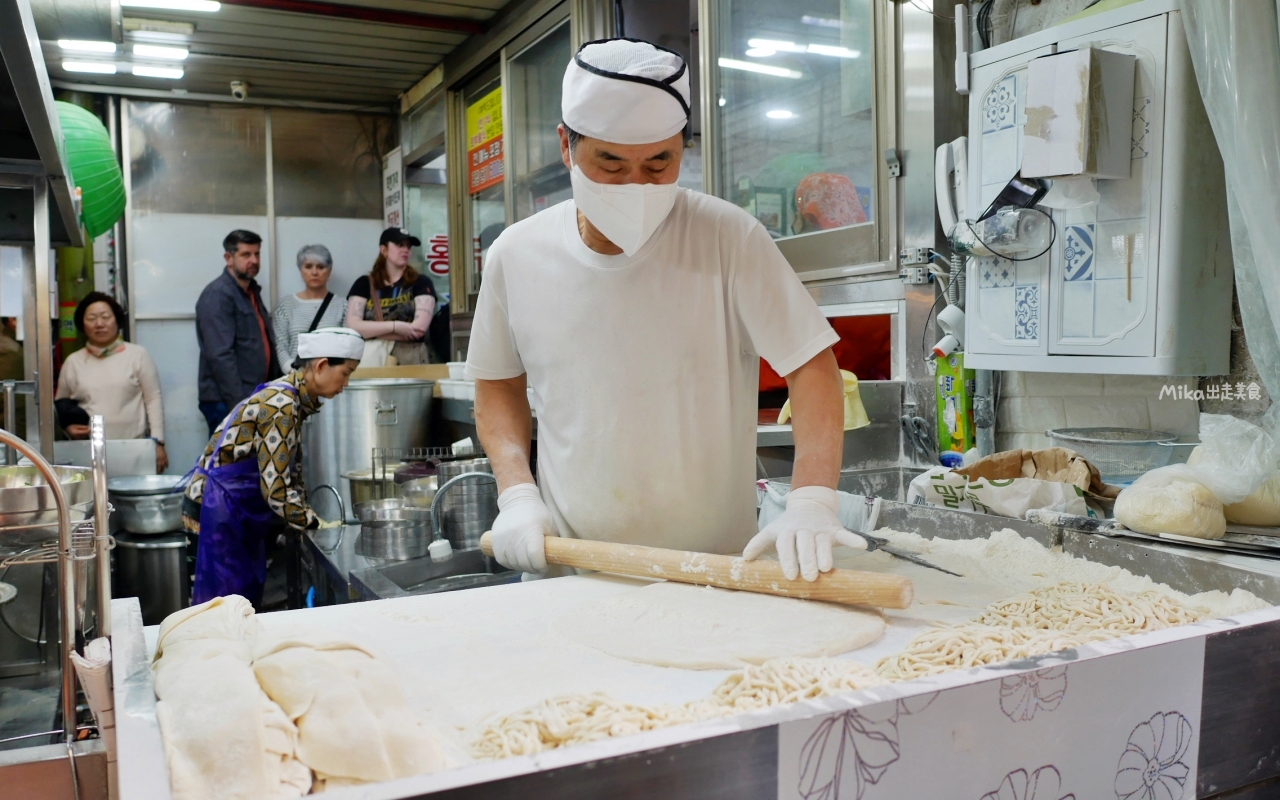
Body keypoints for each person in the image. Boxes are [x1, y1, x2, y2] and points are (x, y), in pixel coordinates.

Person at [468, 39, 862, 583]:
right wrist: (516, 492)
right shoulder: (517, 254)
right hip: (574, 571)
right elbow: (497, 386)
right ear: (566, 145)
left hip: (715, 574)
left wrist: (813, 499)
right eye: (610, 162)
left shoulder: (728, 238)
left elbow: (811, 366)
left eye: (659, 163)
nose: (636, 185)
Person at [182, 327, 362, 607]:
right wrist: (313, 522)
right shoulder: (282, 405)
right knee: (222, 606)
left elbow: (287, 466)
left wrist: (302, 510)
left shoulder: (292, 398)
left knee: (240, 599)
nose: (346, 383)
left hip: (232, 504)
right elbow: (276, 490)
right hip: (217, 507)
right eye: (346, 373)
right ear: (322, 365)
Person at [56, 292, 168, 472]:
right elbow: (60, 406)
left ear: (117, 320)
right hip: (87, 454)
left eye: (105, 317)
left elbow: (153, 399)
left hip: (134, 449)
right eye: (91, 318)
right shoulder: (73, 362)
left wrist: (158, 441)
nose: (99, 324)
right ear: (82, 324)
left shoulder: (137, 355)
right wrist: (68, 428)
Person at [196, 229, 281, 436]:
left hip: (254, 396)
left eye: (257, 254)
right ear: (229, 258)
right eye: (246, 254)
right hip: (229, 401)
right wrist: (242, 405)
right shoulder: (218, 294)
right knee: (229, 465)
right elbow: (220, 356)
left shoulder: (251, 291)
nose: (253, 260)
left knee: (249, 465)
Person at [346, 228, 436, 366]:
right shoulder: (364, 283)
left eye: (408, 246)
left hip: (410, 359)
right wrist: (396, 327)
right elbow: (352, 327)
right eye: (400, 245)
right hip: (373, 358)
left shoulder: (421, 282)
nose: (405, 250)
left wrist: (369, 331)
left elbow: (418, 329)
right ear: (384, 250)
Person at [273, 244, 348, 368]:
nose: (314, 272)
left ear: (329, 271)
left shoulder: (343, 305)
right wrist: (294, 374)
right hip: (295, 378)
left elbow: (346, 346)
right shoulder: (286, 305)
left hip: (331, 378)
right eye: (308, 266)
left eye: (320, 267)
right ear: (300, 270)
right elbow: (280, 346)